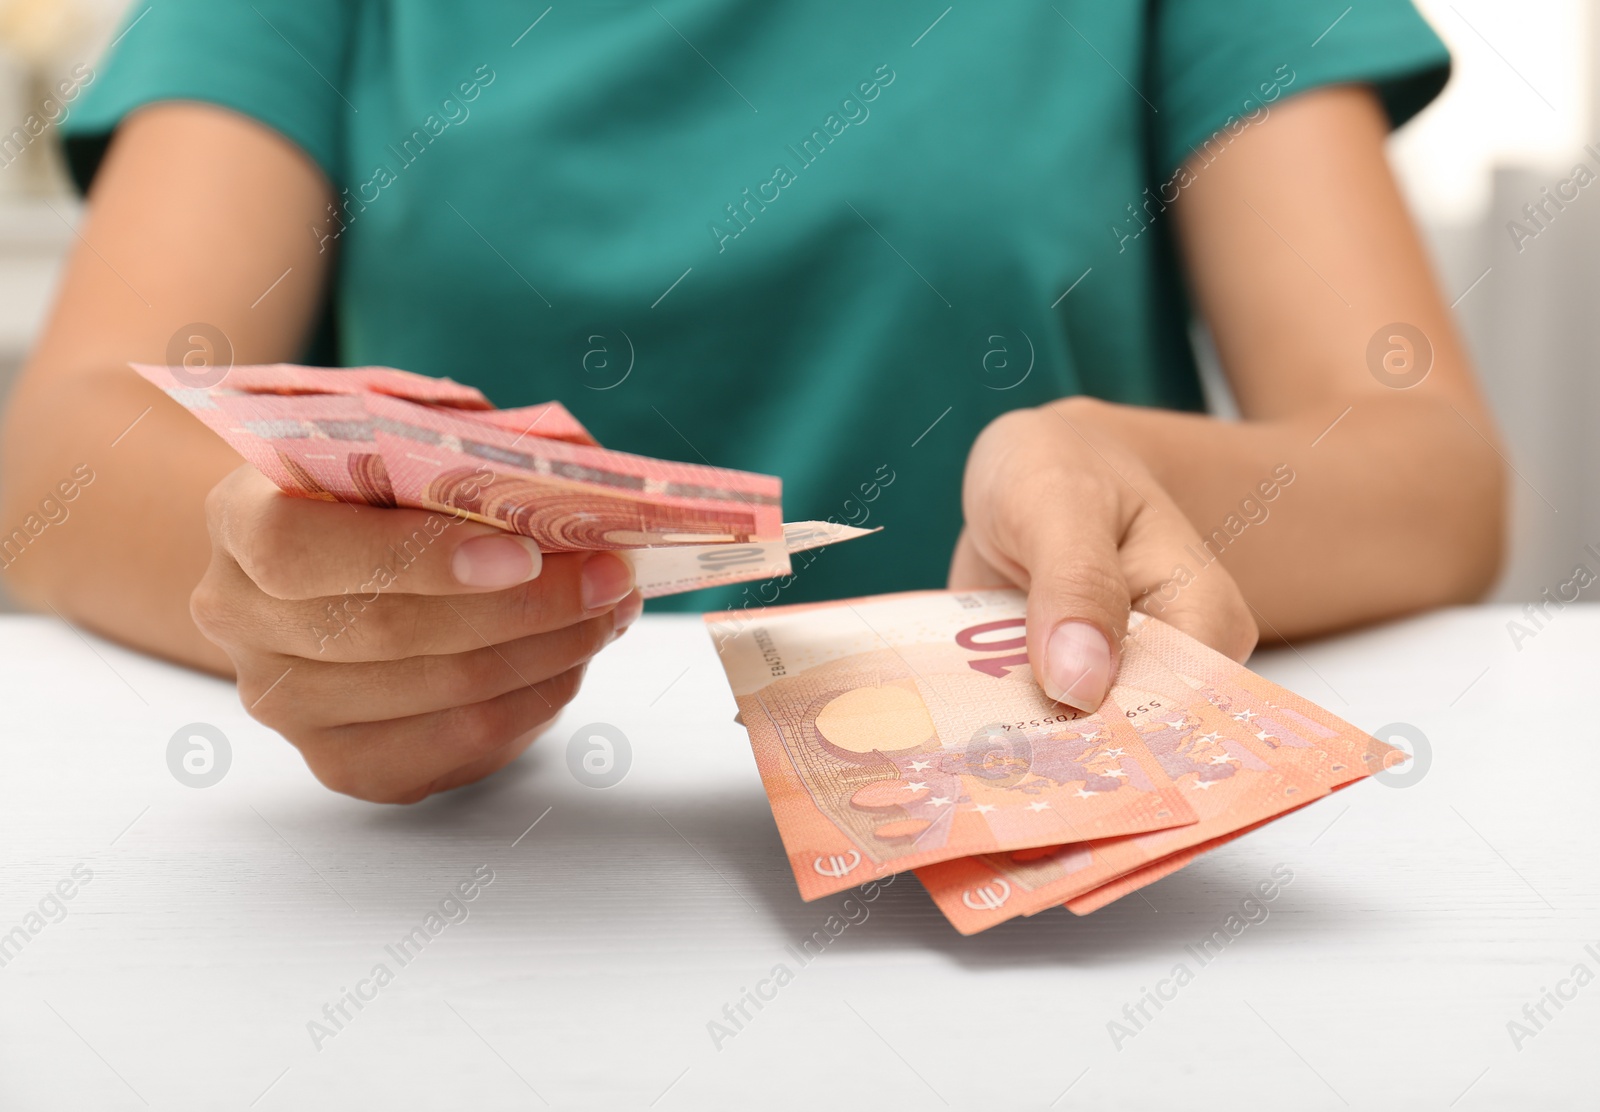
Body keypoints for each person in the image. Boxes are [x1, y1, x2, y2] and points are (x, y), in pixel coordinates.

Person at [0, 2, 1505, 802]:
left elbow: (1430, 472)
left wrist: (1114, 465)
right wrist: (306, 589)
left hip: (1034, 895)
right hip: (475, 906)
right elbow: (63, 450)